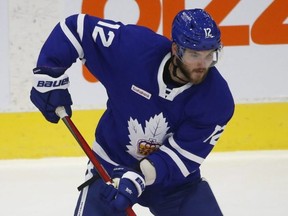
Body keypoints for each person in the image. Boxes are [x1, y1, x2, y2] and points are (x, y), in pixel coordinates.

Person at [30, 8, 234, 216]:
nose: (203, 65)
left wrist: (139, 176)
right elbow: (75, 29)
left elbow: (181, 157)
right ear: (176, 49)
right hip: (110, 168)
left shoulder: (217, 99)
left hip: (174, 184)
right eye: (194, 55)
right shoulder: (133, 49)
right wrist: (49, 75)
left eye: (210, 55)